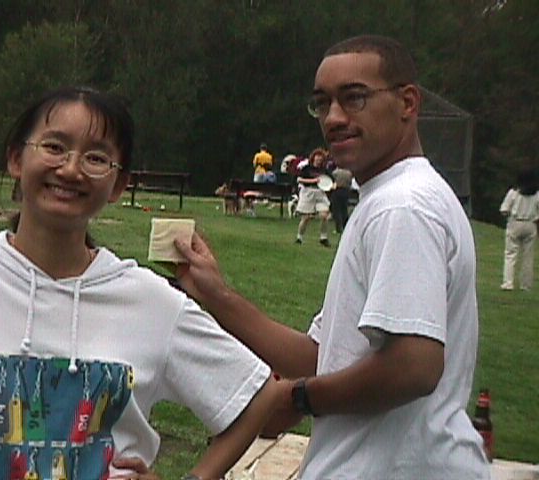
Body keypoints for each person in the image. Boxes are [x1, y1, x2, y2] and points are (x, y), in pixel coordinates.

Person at [0, 86, 278, 480]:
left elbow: (256, 394)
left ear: (118, 185)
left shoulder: (150, 300)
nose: (70, 169)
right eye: (54, 147)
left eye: (96, 158)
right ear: (16, 158)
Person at [174, 35, 489, 479]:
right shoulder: (388, 199)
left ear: (408, 102)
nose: (334, 118)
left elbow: (413, 366)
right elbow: (321, 356)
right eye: (322, 103)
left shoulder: (403, 205)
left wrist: (299, 397)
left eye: (354, 98)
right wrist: (216, 295)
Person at [499, 168, 539, 291]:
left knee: (510, 254)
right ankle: (526, 285)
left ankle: (508, 283)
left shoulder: (513, 193)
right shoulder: (537, 194)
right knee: (528, 256)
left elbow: (504, 210)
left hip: (515, 222)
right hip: (531, 224)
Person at [294, 147, 333, 246]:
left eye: (321, 157)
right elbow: (299, 180)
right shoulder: (307, 168)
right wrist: (313, 181)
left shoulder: (325, 170)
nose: (319, 159)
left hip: (320, 192)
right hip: (308, 192)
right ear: (313, 157)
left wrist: (333, 185)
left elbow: (332, 181)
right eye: (317, 156)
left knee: (324, 215)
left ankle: (323, 238)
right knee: (306, 218)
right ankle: (299, 237)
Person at [329, 165, 353, 233]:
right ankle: (345, 226)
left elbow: (331, 181)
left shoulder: (335, 172)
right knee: (344, 209)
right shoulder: (349, 173)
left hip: (337, 190)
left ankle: (338, 228)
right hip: (346, 191)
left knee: (336, 210)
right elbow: (350, 183)